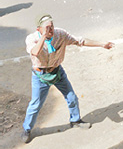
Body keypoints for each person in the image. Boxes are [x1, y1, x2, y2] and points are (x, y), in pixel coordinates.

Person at [21, 14, 114, 144]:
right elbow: (35, 52)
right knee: (36, 104)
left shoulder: (60, 34)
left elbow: (80, 41)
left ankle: (75, 120)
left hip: (57, 72)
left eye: (52, 26)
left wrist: (102, 44)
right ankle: (27, 129)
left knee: (71, 97)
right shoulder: (32, 39)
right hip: (40, 75)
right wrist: (44, 37)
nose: (51, 30)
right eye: (47, 27)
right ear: (39, 29)